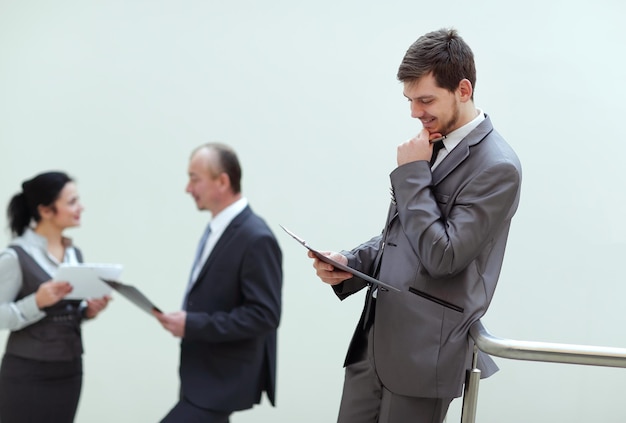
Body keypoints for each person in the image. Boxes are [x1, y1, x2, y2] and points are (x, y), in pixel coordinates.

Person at [308, 28, 522, 423]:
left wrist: (411, 175)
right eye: (410, 100)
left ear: (462, 89)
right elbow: (401, 236)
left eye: (425, 100)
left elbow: (444, 256)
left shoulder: (498, 167)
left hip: (425, 355)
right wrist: (349, 263)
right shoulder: (430, 144)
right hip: (373, 346)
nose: (414, 113)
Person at [154, 142, 283, 423]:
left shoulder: (256, 237)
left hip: (221, 382)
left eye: (194, 178)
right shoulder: (219, 228)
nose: (188, 188)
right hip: (200, 377)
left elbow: (265, 315)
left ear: (222, 181)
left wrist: (192, 324)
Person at [0, 171, 111, 423]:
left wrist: (87, 311)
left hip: (69, 369)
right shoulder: (15, 256)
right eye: (72, 202)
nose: (80, 207)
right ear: (46, 210)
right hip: (28, 371)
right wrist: (36, 302)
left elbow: (65, 314)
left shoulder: (74, 254)